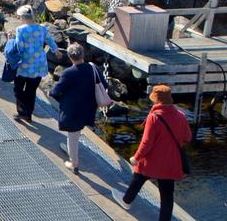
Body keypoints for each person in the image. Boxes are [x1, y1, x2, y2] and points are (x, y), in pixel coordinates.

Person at [111, 84, 191, 221]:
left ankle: (126, 201)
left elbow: (146, 143)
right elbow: (187, 137)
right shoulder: (181, 116)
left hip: (151, 161)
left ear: (157, 100)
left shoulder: (153, 117)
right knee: (167, 195)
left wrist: (136, 157)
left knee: (138, 178)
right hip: (170, 163)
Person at [49, 42, 105, 175]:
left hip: (73, 110)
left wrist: (49, 93)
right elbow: (104, 84)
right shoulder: (93, 69)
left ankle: (74, 164)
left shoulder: (68, 73)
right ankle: (71, 151)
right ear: (83, 55)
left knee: (72, 136)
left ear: (70, 57)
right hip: (89, 107)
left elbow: (56, 91)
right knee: (77, 131)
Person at [8, 4, 59, 122]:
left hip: (24, 64)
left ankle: (22, 111)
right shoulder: (42, 28)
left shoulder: (21, 30)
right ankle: (28, 114)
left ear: (23, 17)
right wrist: (56, 50)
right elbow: (50, 40)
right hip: (38, 65)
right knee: (31, 91)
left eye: (19, 17)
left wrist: (10, 39)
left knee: (18, 89)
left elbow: (20, 47)